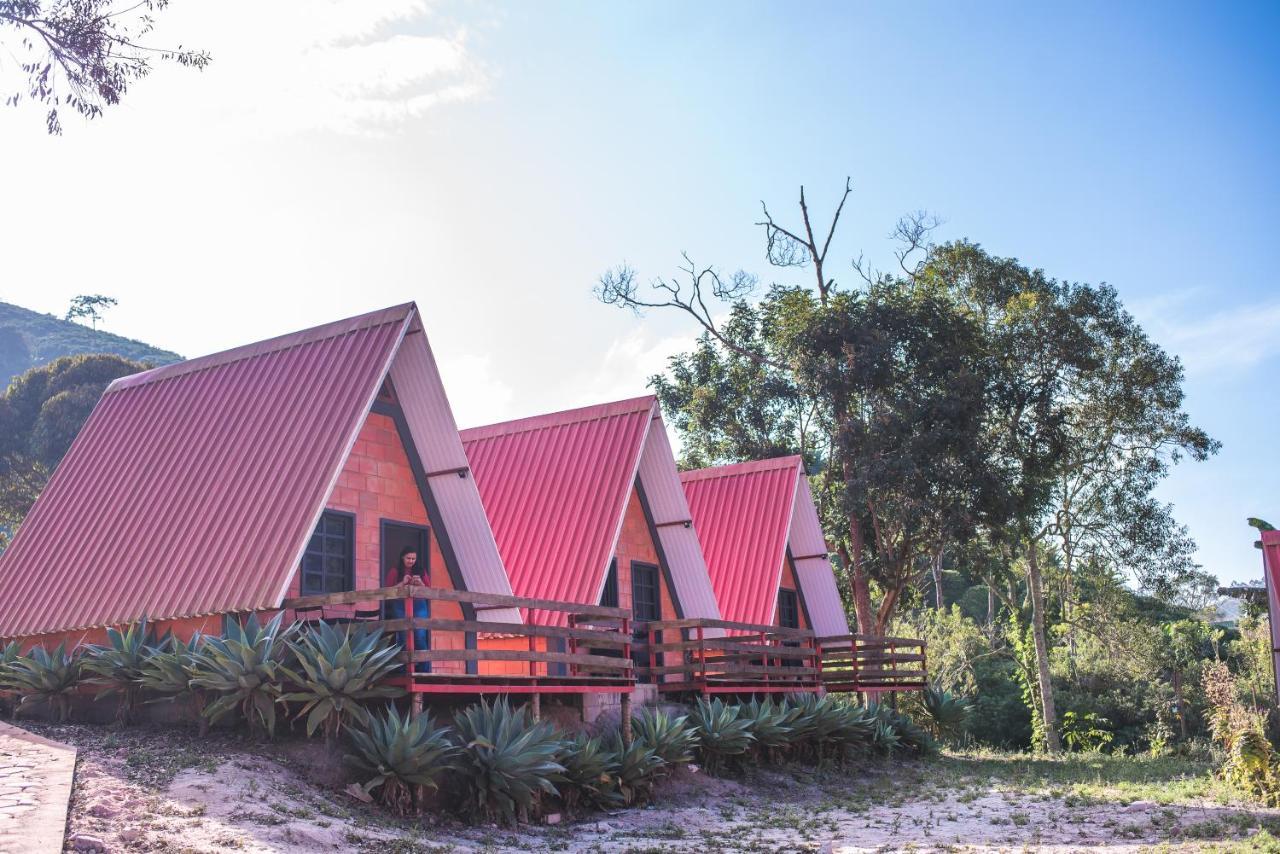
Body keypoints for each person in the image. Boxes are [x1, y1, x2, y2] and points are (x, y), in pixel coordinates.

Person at [385, 546, 430, 674]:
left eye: (413, 558)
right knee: (403, 637)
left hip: (419, 605)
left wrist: (420, 583)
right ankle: (402, 670)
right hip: (400, 605)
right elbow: (387, 591)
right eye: (408, 558)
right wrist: (402, 583)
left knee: (420, 636)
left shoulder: (421, 570)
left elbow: (429, 590)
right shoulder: (395, 571)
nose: (411, 561)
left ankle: (423, 670)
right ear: (402, 557)